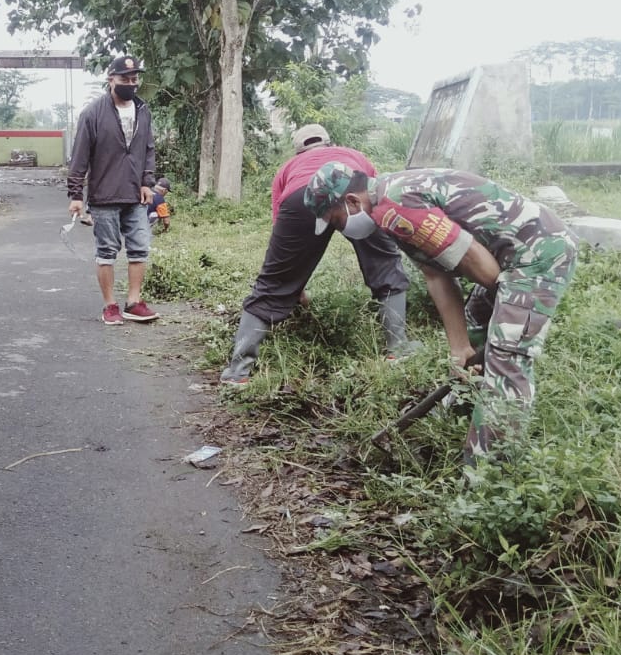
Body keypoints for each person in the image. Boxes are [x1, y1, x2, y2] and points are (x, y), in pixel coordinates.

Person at [303, 161, 578, 458]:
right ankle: (466, 410)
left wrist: (511, 320)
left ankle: (488, 474)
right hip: (512, 255)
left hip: (536, 254)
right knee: (476, 328)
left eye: (336, 221)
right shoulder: (387, 201)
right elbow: (436, 275)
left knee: (506, 361)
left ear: (352, 201)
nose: (341, 230)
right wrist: (460, 347)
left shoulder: (395, 208)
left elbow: (483, 268)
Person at [219, 124, 412, 385]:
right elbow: (374, 193)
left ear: (298, 152)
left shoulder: (288, 168)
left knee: (272, 284)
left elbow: (282, 232)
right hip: (354, 194)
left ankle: (237, 372)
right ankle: (398, 350)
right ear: (330, 144)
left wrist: (291, 282)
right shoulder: (354, 155)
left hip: (300, 197)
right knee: (385, 265)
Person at [66, 55, 158, 324]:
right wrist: (75, 195)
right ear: (111, 80)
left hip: (136, 194)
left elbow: (148, 149)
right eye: (125, 79)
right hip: (104, 195)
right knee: (107, 252)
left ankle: (134, 301)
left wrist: (147, 182)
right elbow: (79, 155)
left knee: (140, 248)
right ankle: (110, 306)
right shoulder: (92, 113)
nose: (131, 84)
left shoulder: (143, 110)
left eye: (134, 79)